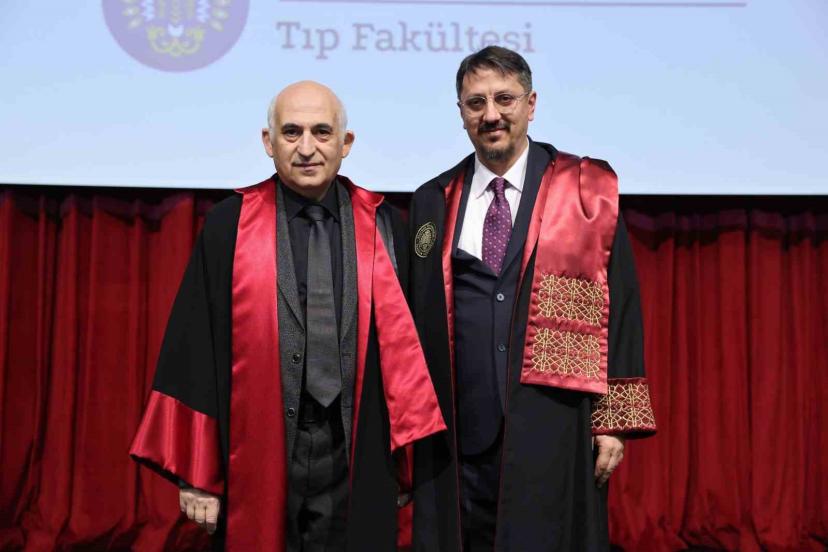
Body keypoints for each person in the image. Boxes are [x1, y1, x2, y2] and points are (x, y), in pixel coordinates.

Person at [129, 81, 446, 552]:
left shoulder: (385, 226)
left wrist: (404, 463)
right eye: (292, 132)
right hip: (259, 447)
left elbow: (408, 358)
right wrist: (196, 475)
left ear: (346, 143)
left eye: (322, 132)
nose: (307, 148)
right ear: (268, 141)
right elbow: (195, 347)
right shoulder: (229, 225)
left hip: (355, 449)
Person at [407, 46, 657, 551]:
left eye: (505, 99)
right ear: (461, 112)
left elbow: (622, 307)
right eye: (476, 103)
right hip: (461, 434)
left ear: (531, 103)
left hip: (556, 425)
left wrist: (613, 422)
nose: (491, 115)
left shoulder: (585, 191)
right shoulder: (432, 200)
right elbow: (413, 321)